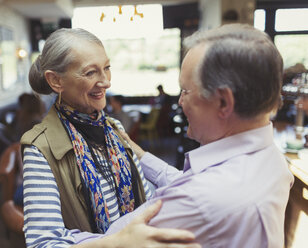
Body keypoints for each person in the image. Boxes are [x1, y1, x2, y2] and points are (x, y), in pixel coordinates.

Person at [71, 23, 294, 248]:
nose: (180, 102)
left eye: (186, 91)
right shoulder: (272, 160)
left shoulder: (200, 201)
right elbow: (192, 181)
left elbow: (116, 238)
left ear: (224, 102)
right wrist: (138, 153)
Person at [21, 28, 199, 248]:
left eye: (107, 68)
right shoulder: (40, 148)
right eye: (90, 73)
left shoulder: (113, 128)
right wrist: (118, 242)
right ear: (56, 81)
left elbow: (145, 199)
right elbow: (42, 243)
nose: (105, 82)